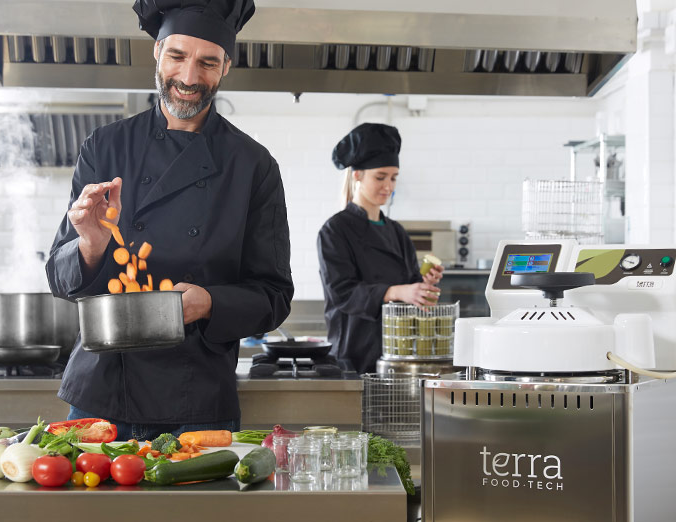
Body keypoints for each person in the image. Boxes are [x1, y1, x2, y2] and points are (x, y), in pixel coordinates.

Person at [46, 0, 293, 441]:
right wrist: (89, 243)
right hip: (103, 388)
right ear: (157, 51)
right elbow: (61, 281)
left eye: (208, 62)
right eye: (177, 56)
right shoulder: (104, 147)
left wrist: (209, 303)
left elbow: (274, 295)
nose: (189, 77)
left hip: (195, 396)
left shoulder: (253, 166)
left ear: (226, 67)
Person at [317, 123, 444, 374]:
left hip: (397, 354)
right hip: (353, 355)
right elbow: (342, 293)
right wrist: (398, 291)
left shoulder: (396, 231)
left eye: (393, 177)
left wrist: (421, 284)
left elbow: (407, 288)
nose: (389, 185)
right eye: (380, 177)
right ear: (357, 175)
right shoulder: (335, 230)